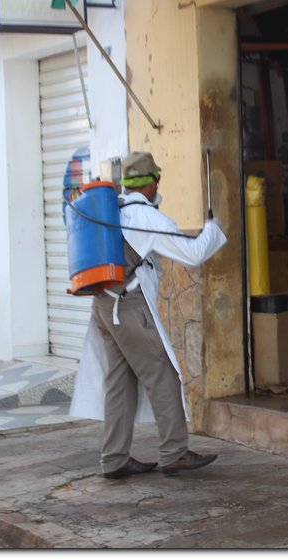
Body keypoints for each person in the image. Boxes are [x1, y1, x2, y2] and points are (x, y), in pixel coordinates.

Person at [69, 151, 227, 479]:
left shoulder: (116, 210)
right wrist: (214, 228)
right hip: (128, 307)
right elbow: (195, 254)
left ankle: (115, 458)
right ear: (153, 183)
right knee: (162, 374)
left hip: (104, 305)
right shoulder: (148, 217)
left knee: (120, 381)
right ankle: (174, 452)